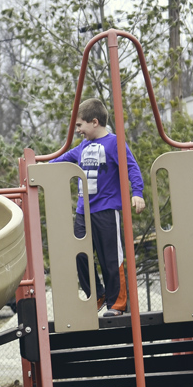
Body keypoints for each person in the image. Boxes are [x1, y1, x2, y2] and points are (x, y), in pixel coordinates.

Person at [52, 98, 145, 317]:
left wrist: (137, 193)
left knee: (111, 258)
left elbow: (132, 168)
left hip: (106, 209)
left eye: (80, 125)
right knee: (79, 253)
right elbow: (61, 161)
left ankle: (117, 304)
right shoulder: (82, 147)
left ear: (95, 122)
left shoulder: (114, 143)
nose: (78, 130)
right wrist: (38, 169)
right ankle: (97, 294)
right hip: (83, 212)